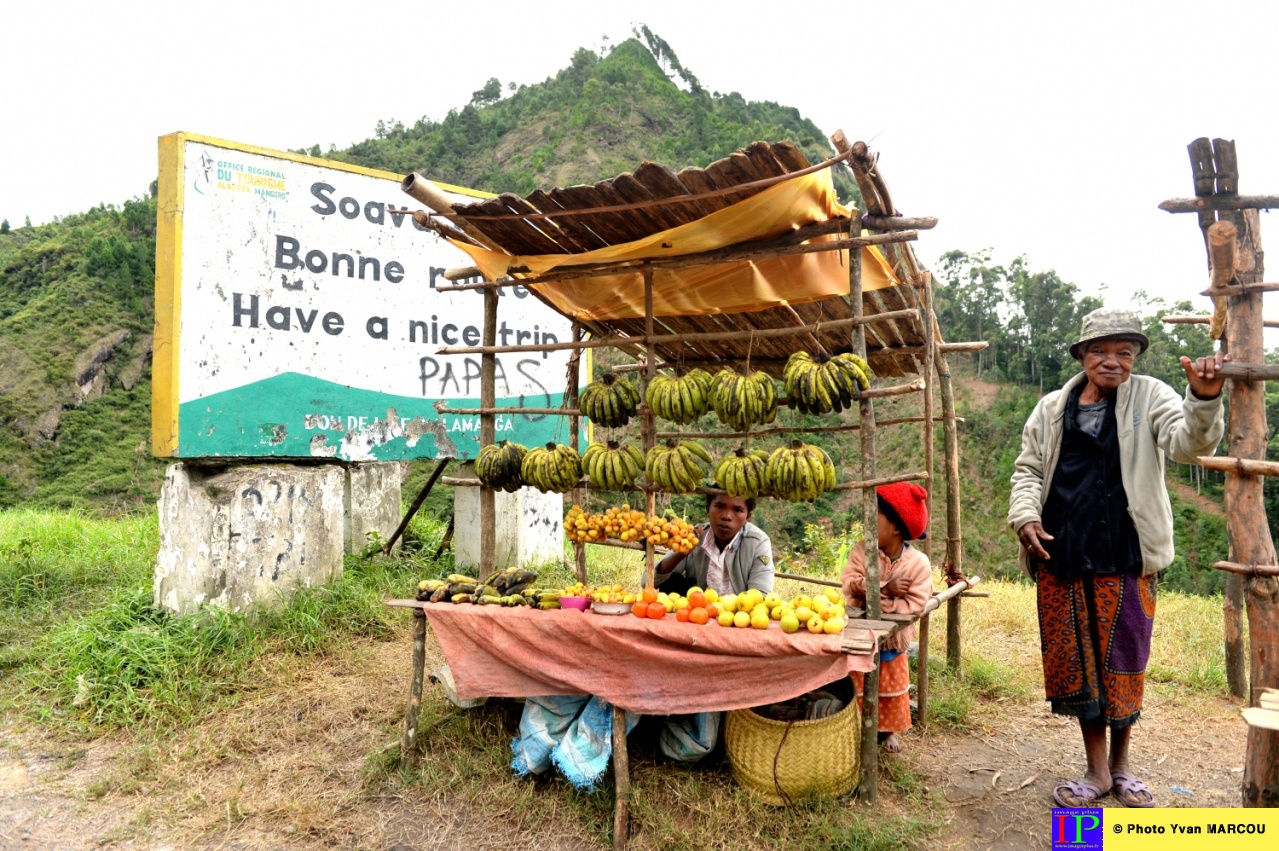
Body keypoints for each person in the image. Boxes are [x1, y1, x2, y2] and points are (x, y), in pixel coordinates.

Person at [1007, 307, 1227, 808]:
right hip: (1062, 551)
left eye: (1124, 353)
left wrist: (1205, 397)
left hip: (1126, 554)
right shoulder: (1050, 408)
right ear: (1082, 355)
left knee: (1124, 662)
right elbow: (1027, 471)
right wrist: (1024, 517)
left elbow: (1188, 443)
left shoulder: (1150, 396)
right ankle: (1097, 771)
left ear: (1135, 359)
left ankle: (1124, 767)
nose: (1113, 361)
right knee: (1080, 664)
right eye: (1101, 351)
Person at [842, 482, 933, 753]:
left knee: (889, 688)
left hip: (893, 642)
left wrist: (874, 598)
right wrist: (886, 588)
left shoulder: (918, 564)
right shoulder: (862, 551)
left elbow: (915, 605)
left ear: (895, 527)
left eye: (874, 516)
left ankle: (888, 731)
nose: (867, 522)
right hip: (861, 636)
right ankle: (855, 727)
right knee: (858, 684)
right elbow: (849, 583)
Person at [654, 492, 774, 596]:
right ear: (708, 510)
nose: (727, 516)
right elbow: (648, 581)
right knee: (671, 580)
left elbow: (761, 594)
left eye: (737, 510)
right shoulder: (694, 536)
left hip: (737, 615)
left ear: (747, 517)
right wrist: (680, 554)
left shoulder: (758, 542)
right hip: (698, 611)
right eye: (719, 507)